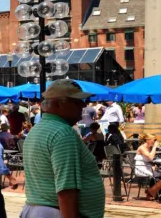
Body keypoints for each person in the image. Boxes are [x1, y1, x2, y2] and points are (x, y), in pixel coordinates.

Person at [21, 79, 105, 218]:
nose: (83, 105)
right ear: (57, 103)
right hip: (56, 212)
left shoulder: (38, 129)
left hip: (40, 210)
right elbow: (66, 190)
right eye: (76, 101)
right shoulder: (63, 133)